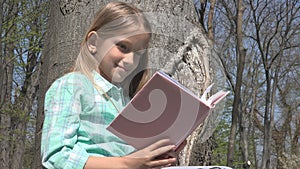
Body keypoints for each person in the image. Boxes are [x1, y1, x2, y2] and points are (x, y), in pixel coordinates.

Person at [41, 2, 185, 169]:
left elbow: (131, 158)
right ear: (93, 42)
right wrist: (127, 163)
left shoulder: (129, 102)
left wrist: (157, 156)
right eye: (123, 47)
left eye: (138, 53)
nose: (131, 60)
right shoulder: (72, 86)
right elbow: (56, 157)